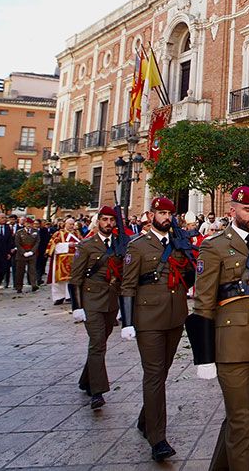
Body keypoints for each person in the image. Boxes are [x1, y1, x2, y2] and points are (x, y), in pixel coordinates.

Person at [191, 185, 249, 471]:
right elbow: (202, 304)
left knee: (238, 416)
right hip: (231, 348)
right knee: (241, 422)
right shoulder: (213, 246)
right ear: (232, 211)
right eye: (247, 210)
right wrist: (203, 358)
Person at [120, 197, 191, 461]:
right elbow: (127, 285)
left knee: (162, 372)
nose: (166, 217)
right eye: (161, 212)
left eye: (170, 213)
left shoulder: (178, 243)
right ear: (150, 215)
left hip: (175, 317)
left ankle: (146, 419)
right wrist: (127, 322)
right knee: (153, 374)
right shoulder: (137, 246)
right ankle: (158, 438)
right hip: (148, 319)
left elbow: (189, 275)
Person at [73, 206, 123, 411]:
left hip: (111, 301)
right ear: (98, 222)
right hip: (92, 300)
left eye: (112, 220)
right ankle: (98, 392)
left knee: (101, 342)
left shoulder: (120, 244)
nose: (108, 224)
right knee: (97, 344)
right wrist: (77, 307)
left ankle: (87, 380)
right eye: (104, 220)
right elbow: (75, 278)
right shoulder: (86, 245)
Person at [47, 219, 82, 304]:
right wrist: (67, 245)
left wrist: (78, 245)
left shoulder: (77, 233)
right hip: (61, 260)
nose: (72, 226)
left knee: (71, 279)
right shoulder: (59, 233)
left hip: (74, 259)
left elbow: (82, 242)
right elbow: (53, 245)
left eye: (73, 224)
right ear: (65, 224)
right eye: (70, 224)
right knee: (60, 281)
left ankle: (69, 296)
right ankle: (59, 297)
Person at [13, 218, 40, 294]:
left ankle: (33, 285)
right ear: (24, 224)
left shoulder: (35, 232)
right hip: (21, 254)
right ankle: (19, 287)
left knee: (32, 270)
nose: (29, 225)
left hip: (32, 253)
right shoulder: (19, 232)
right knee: (20, 271)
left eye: (30, 223)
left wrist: (32, 251)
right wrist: (23, 252)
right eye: (27, 223)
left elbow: (37, 242)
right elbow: (17, 243)